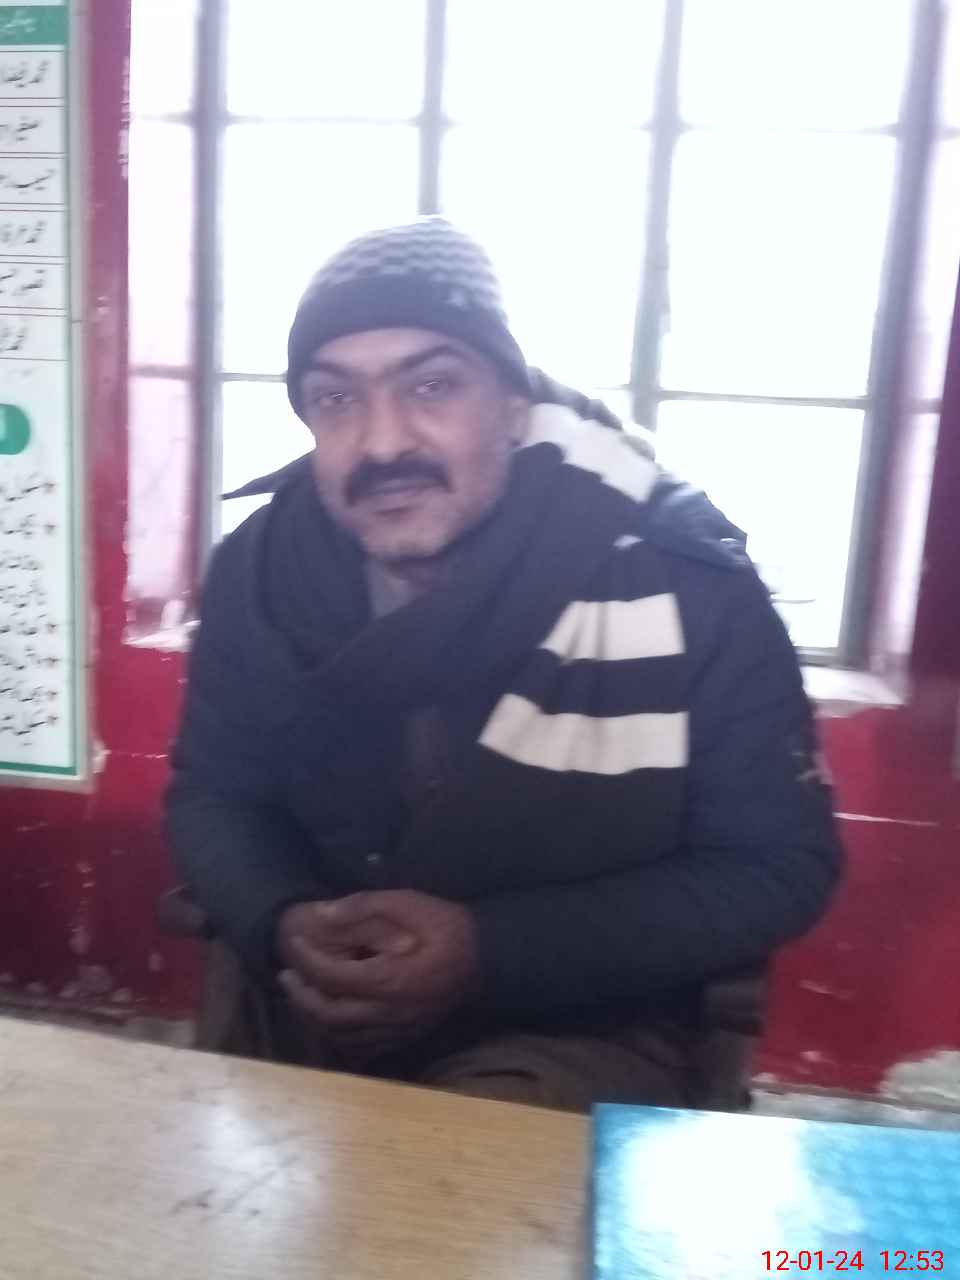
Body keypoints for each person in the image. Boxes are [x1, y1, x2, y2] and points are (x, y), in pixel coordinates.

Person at [167, 217, 841, 1111]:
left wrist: (488, 951)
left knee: (458, 1193)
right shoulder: (261, 571)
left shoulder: (679, 580)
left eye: (433, 385)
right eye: (335, 399)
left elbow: (775, 867)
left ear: (514, 408)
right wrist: (282, 917)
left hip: (578, 1018)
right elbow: (214, 796)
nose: (382, 443)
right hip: (312, 995)